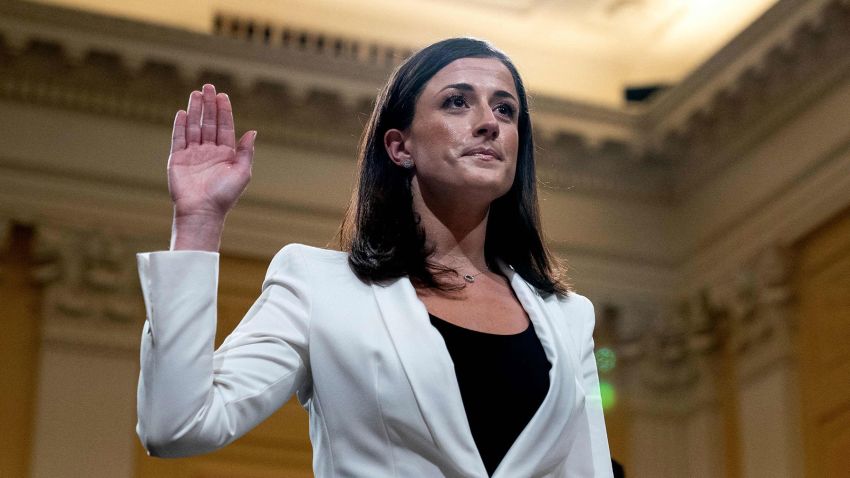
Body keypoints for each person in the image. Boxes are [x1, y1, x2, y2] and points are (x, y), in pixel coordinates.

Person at [136, 37, 613, 477]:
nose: (489, 121)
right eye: (457, 101)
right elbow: (178, 425)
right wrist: (198, 221)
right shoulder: (319, 287)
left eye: (506, 110)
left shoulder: (570, 318)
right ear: (399, 147)